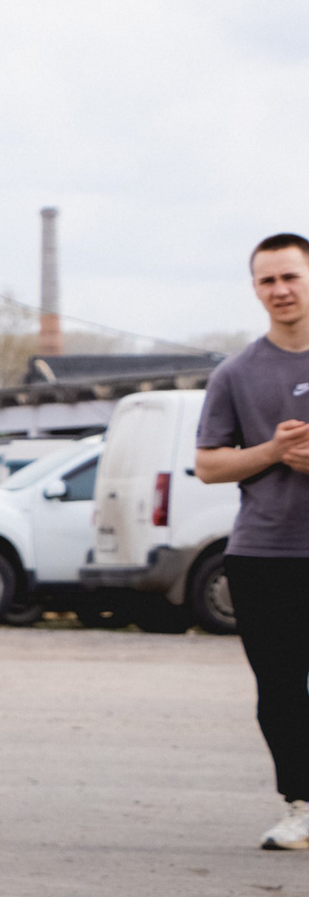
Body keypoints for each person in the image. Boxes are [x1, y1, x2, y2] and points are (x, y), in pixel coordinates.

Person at [193, 232, 309, 850]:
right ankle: (302, 804)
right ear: (256, 289)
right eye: (268, 280)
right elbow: (208, 465)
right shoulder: (236, 373)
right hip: (265, 555)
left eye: (290, 276)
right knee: (280, 689)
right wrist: (274, 451)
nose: (281, 290)